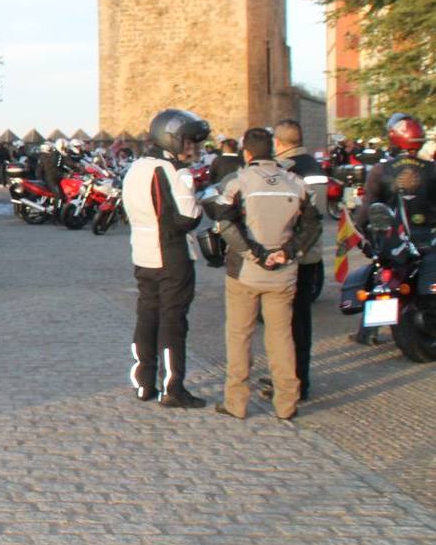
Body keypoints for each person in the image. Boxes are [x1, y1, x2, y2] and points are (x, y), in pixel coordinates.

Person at [209, 128, 322, 421]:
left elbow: (225, 223)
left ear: (247, 153)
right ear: (272, 150)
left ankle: (236, 401)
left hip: (245, 271)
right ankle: (286, 402)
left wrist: (254, 254)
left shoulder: (239, 182)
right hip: (283, 272)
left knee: (239, 335)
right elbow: (312, 226)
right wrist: (288, 252)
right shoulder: (296, 183)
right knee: (281, 337)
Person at [122, 108, 209, 408]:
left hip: (143, 250)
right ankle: (173, 387)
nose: (191, 148)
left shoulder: (135, 168)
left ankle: (144, 382)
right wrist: (198, 202)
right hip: (171, 253)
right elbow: (187, 218)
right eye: (187, 142)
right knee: (173, 320)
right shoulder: (174, 171)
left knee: (147, 315)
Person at [353, 113, 436, 344]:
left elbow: (368, 206)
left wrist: (357, 230)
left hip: (392, 238)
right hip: (427, 237)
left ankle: (368, 333)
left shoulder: (381, 170)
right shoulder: (432, 168)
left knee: (381, 276)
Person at [264, 119, 325, 401]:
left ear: (278, 142)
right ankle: (300, 377)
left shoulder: (283, 170)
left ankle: (291, 381)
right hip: (312, 254)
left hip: (289, 253)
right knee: (303, 321)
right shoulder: (315, 167)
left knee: (286, 323)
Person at [36, 142, 64, 206]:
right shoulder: (45, 157)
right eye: (51, 149)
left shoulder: (44, 156)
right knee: (58, 195)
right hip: (49, 179)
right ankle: (56, 212)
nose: (52, 150)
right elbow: (51, 169)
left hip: (45, 178)